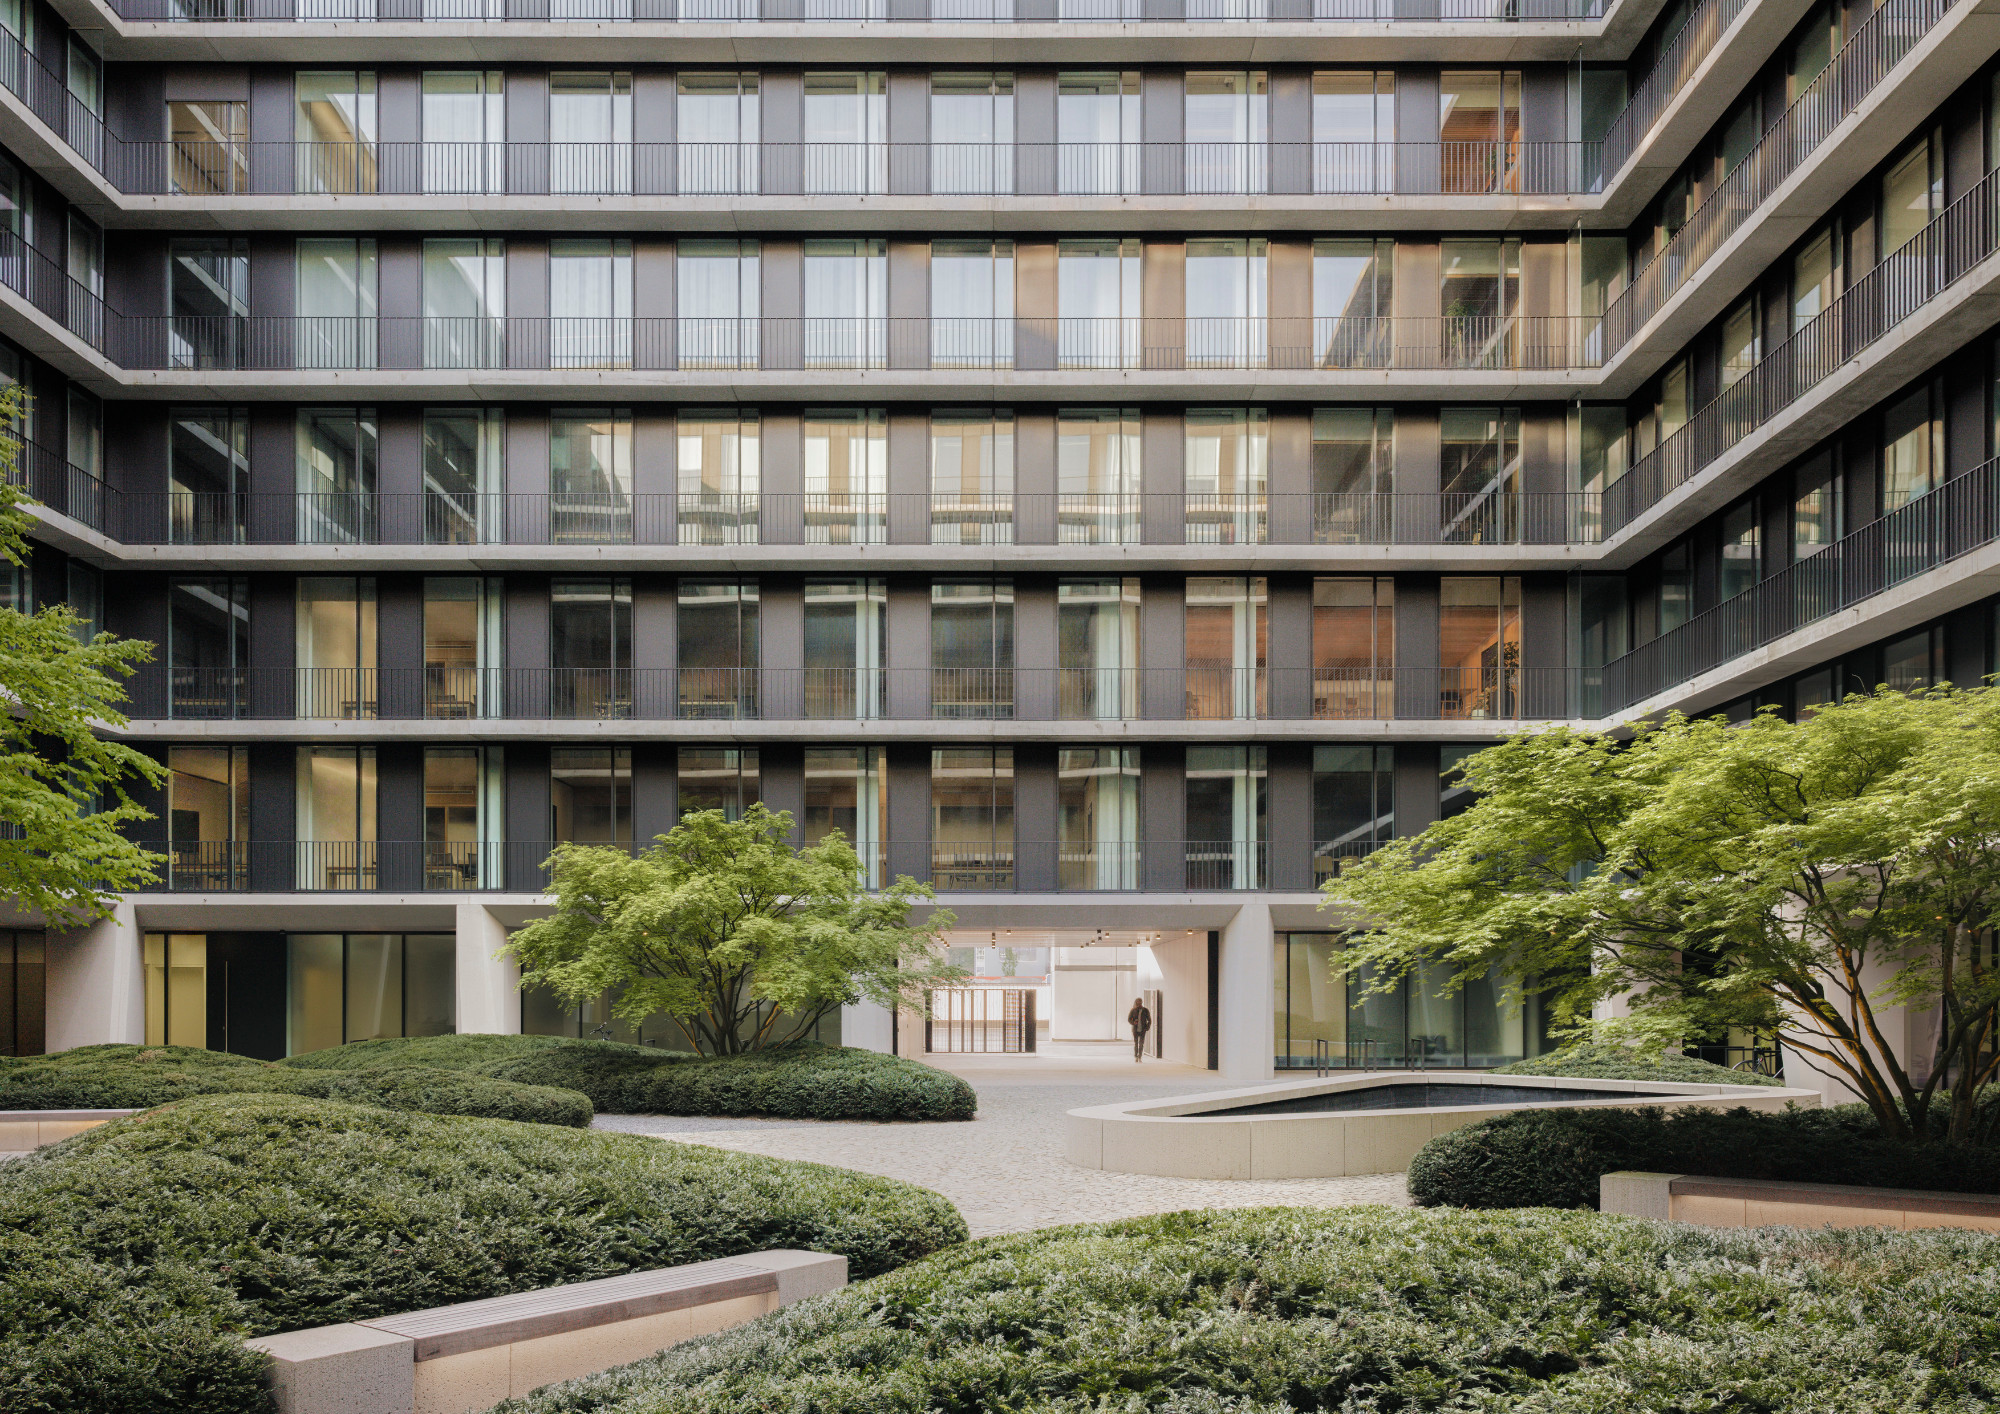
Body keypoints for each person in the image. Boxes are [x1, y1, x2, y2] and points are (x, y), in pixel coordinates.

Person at [1127, 996, 1152, 1062]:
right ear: (1136, 1003)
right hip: (1135, 1030)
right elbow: (1129, 1019)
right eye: (1138, 1003)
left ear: (1142, 1002)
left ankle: (1140, 1056)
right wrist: (1133, 1022)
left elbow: (1149, 1020)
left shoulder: (1145, 1010)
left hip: (1143, 1030)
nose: (1139, 1004)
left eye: (1140, 1002)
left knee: (1141, 1044)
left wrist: (1147, 1027)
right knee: (1136, 1043)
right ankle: (1136, 1056)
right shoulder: (1133, 1010)